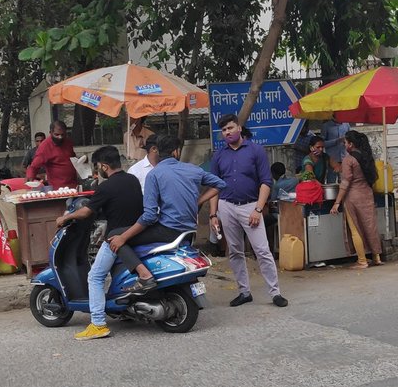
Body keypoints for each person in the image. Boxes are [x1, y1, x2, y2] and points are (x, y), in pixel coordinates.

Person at [114, 134, 225, 297]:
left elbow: (149, 216)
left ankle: (144, 276)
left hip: (168, 230)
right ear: (176, 152)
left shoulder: (155, 174)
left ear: (158, 152)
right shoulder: (193, 169)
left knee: (114, 235)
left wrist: (123, 237)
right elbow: (221, 184)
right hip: (189, 231)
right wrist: (198, 201)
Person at [56, 146, 146, 341]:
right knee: (113, 273)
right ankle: (123, 310)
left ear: (105, 166)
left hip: (116, 238)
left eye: (98, 167)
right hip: (136, 233)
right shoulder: (132, 180)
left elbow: (87, 212)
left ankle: (97, 323)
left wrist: (66, 217)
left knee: (95, 277)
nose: (98, 170)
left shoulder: (105, 187)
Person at [211, 114, 287, 308]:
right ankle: (244, 292)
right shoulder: (219, 155)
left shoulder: (256, 150)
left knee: (262, 250)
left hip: (250, 206)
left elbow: (266, 182)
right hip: (226, 206)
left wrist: (258, 209)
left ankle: (275, 293)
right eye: (224, 130)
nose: (227, 132)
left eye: (230, 128)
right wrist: (213, 214)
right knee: (235, 251)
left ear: (239, 127)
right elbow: (213, 187)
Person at [329, 131, 383, 269]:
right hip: (367, 194)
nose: (344, 145)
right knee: (370, 226)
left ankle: (362, 260)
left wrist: (337, 203)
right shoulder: (367, 156)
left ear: (351, 144)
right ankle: (376, 257)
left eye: (345, 143)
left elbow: (345, 182)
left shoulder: (349, 159)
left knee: (355, 229)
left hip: (353, 196)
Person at [27, 120, 81, 190]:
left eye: (63, 134)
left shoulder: (68, 142)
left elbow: (73, 159)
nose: (60, 137)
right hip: (58, 189)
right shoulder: (45, 146)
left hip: (73, 185)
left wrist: (81, 161)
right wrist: (30, 179)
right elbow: (34, 166)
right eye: (57, 134)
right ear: (50, 133)